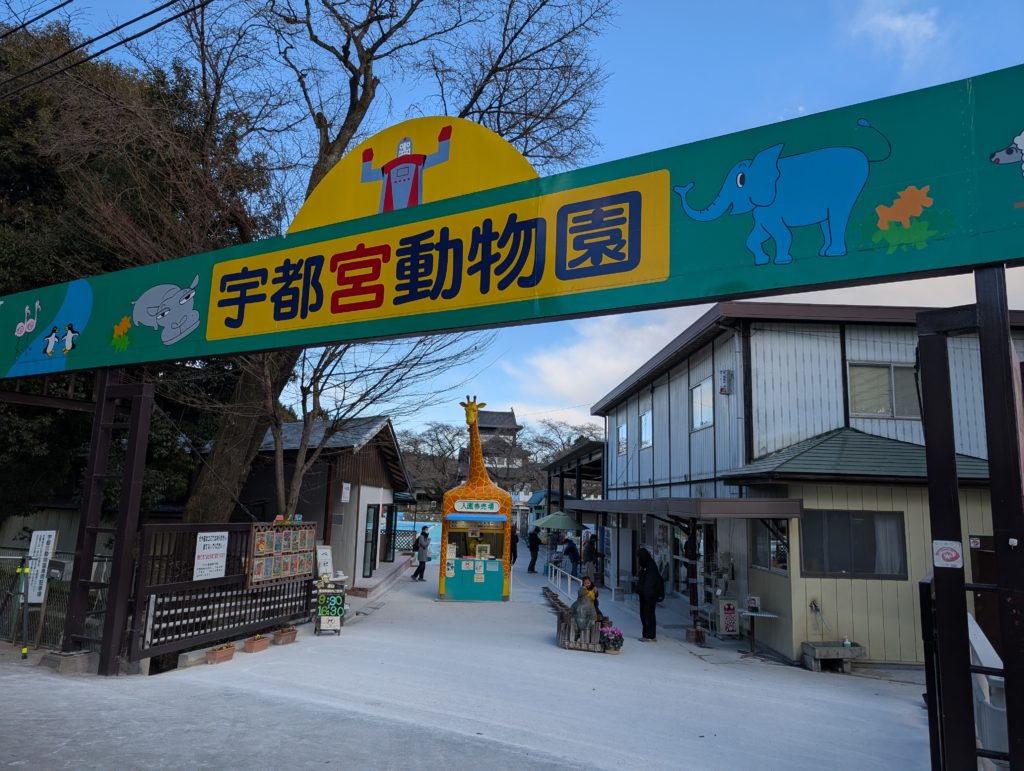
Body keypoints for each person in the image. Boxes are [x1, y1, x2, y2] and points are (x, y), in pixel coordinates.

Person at [636, 547, 664, 641]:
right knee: (646, 615)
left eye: (639, 558)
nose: (638, 560)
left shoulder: (650, 567)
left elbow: (649, 585)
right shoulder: (646, 565)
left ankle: (649, 635)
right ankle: (647, 635)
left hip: (648, 598)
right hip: (646, 596)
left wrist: (645, 594)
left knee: (648, 615)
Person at [570, 576, 599, 640]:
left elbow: (596, 596)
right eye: (585, 583)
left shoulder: (594, 588)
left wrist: (596, 592)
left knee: (597, 615)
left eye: (588, 583)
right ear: (583, 583)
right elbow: (580, 595)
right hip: (582, 605)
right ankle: (576, 633)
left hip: (592, 604)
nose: (587, 584)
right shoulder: (583, 589)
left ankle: (591, 632)